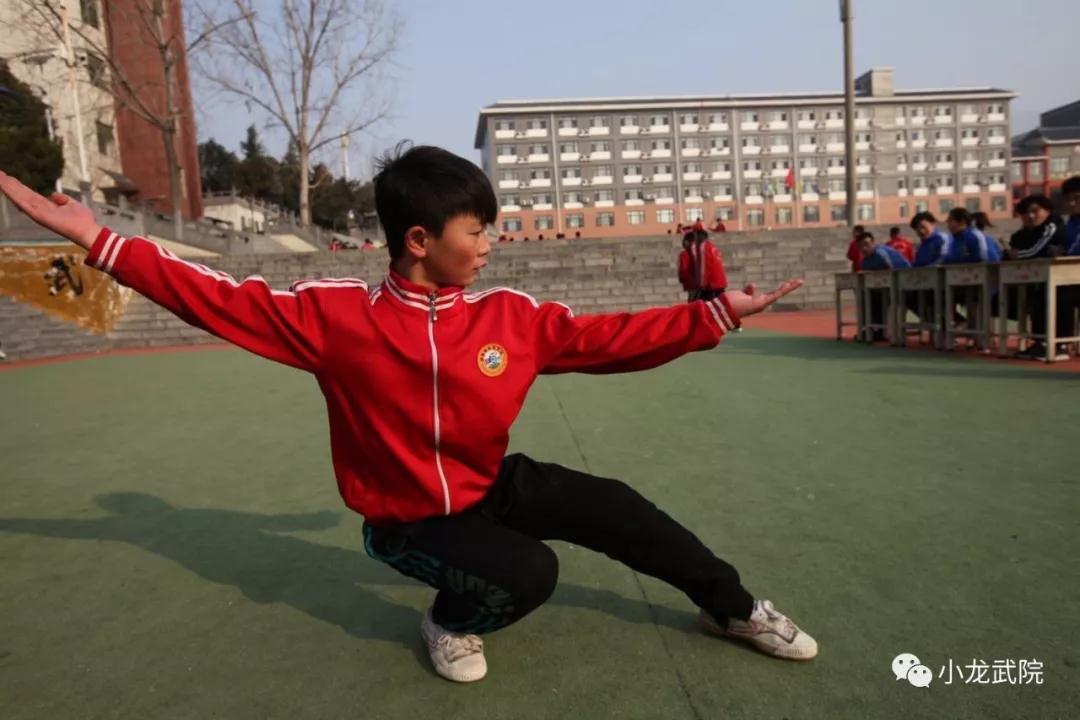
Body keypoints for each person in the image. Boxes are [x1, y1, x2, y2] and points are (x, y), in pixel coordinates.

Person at [0, 148, 810, 685]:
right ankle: (448, 619)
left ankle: (733, 608)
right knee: (527, 574)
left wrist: (715, 315)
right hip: (407, 519)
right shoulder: (334, 319)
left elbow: (603, 340)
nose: (490, 242)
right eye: (476, 229)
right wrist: (102, 243)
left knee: (618, 508)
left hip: (487, 483)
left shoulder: (507, 318)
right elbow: (215, 297)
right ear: (420, 239)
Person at [1009, 191, 1077, 360]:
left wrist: (1066, 252)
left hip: (1069, 278)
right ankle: (1040, 342)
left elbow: (1036, 252)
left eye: (1035, 211)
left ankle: (1060, 344)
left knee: (1060, 294)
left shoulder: (1054, 225)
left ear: (1047, 211)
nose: (1031, 216)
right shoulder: (1021, 234)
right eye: (1026, 213)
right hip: (1051, 276)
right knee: (1037, 295)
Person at [858, 231, 910, 342]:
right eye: (861, 246)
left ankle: (879, 330)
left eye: (866, 244)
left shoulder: (881, 253)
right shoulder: (865, 261)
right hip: (884, 289)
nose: (864, 248)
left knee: (876, 297)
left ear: (873, 243)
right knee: (865, 295)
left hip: (904, 284)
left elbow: (893, 270)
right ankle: (871, 329)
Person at [689, 228, 728, 301]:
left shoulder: (703, 247)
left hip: (711, 283)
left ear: (699, 237)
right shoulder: (712, 247)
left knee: (705, 304)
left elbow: (704, 267)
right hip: (720, 281)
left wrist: (701, 283)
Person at [677, 230, 698, 302]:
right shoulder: (698, 251)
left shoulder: (684, 254)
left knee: (692, 301)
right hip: (699, 282)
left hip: (690, 282)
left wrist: (681, 278)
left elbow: (683, 268)